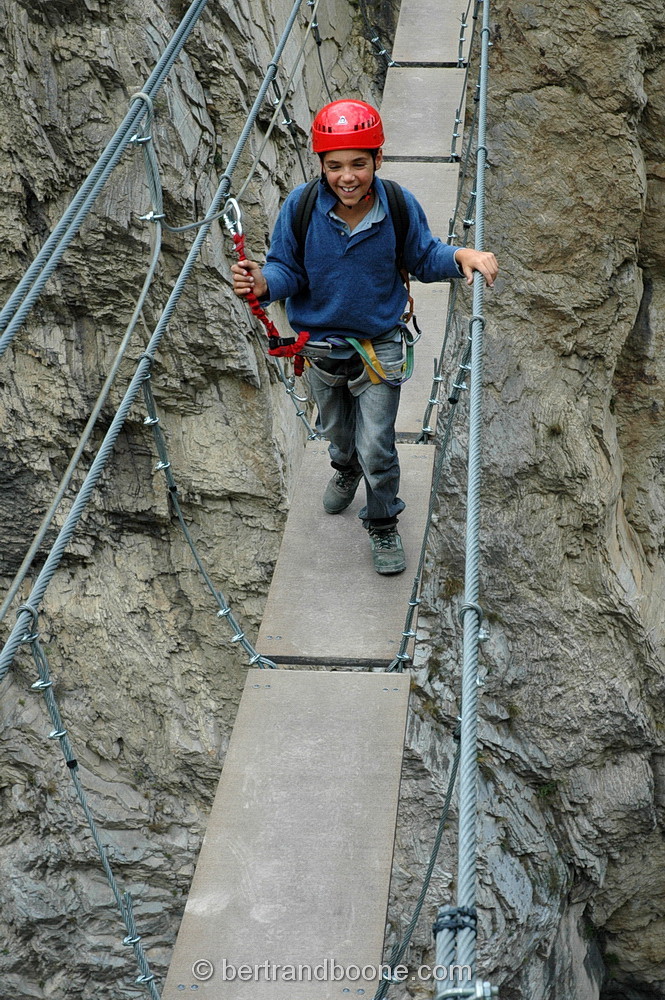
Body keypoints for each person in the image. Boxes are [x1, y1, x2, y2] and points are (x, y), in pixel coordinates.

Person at [232, 99, 498, 575]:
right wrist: (264, 283)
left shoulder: (397, 205)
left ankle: (381, 520)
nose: (347, 175)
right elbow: (286, 268)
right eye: (334, 165)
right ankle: (344, 466)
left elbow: (422, 255)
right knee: (337, 431)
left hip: (380, 346)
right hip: (319, 348)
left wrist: (461, 258)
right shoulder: (302, 207)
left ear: (378, 159)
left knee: (377, 444)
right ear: (320, 166)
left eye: (358, 163)